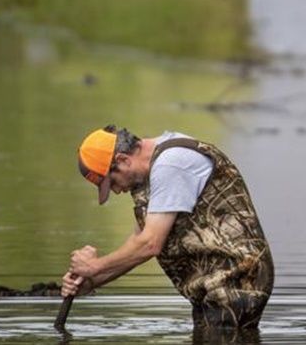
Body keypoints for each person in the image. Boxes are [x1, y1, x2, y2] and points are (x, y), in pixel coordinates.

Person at [61, 125, 274, 335]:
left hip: (238, 276)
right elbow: (138, 240)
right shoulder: (156, 169)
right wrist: (92, 281)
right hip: (215, 281)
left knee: (216, 338)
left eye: (112, 182)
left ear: (123, 160)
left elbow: (150, 244)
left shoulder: (170, 165)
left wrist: (94, 266)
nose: (116, 191)